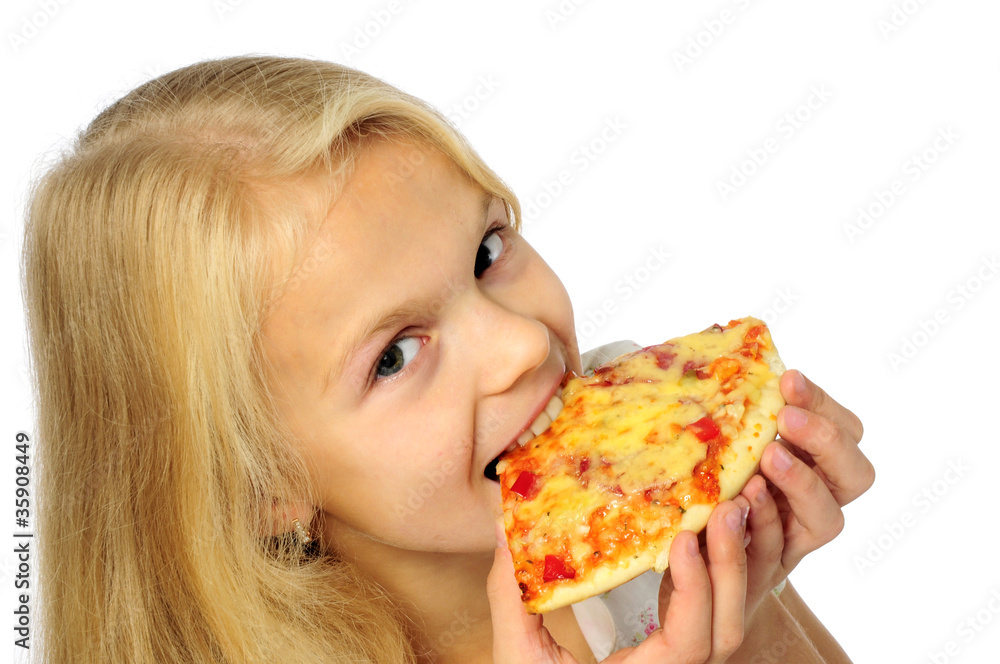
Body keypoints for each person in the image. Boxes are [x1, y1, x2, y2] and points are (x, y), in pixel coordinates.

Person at [22, 56, 873, 664]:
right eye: (393, 355)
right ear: (261, 486)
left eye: (487, 250)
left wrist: (749, 616)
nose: (522, 345)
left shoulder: (642, 488)